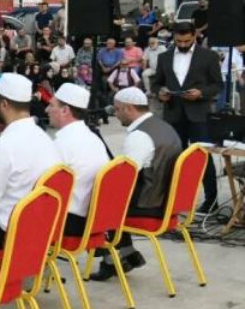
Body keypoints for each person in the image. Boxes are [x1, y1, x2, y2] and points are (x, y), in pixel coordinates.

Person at [90, 87, 179, 280]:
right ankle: (127, 252)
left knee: (96, 200)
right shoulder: (164, 126)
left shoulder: (140, 136)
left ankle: (111, 261)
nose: (116, 114)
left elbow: (123, 178)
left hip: (148, 203)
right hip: (163, 197)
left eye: (118, 109)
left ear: (129, 108)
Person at [0, 73, 61, 249]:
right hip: (37, 230)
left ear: (4, 104)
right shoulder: (46, 140)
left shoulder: (3, 147)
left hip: (6, 234)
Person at [152, 21, 222, 213]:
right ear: (173, 38)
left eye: (187, 41)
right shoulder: (164, 57)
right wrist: (160, 92)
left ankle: (211, 200)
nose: (183, 45)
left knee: (202, 158)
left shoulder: (208, 56)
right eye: (179, 41)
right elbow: (156, 83)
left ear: (194, 37)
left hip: (199, 114)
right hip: (173, 113)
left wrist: (201, 92)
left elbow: (218, 84)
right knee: (174, 158)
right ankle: (174, 201)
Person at [48, 84, 111, 238]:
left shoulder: (62, 145)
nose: (46, 110)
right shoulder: (93, 139)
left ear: (65, 110)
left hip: (67, 223)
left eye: (51, 105)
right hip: (89, 220)